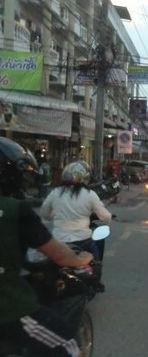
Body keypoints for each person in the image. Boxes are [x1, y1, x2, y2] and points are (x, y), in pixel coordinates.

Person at [0, 137, 93, 357]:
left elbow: (45, 214)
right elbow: (60, 255)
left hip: (59, 235)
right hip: (9, 307)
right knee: (70, 345)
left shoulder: (53, 193)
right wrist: (82, 259)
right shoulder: (15, 209)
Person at [40, 161, 112, 261]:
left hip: (59, 241)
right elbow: (106, 217)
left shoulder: (55, 193)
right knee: (95, 264)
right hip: (83, 241)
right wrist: (108, 219)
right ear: (85, 177)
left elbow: (44, 214)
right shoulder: (89, 194)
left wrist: (55, 214)